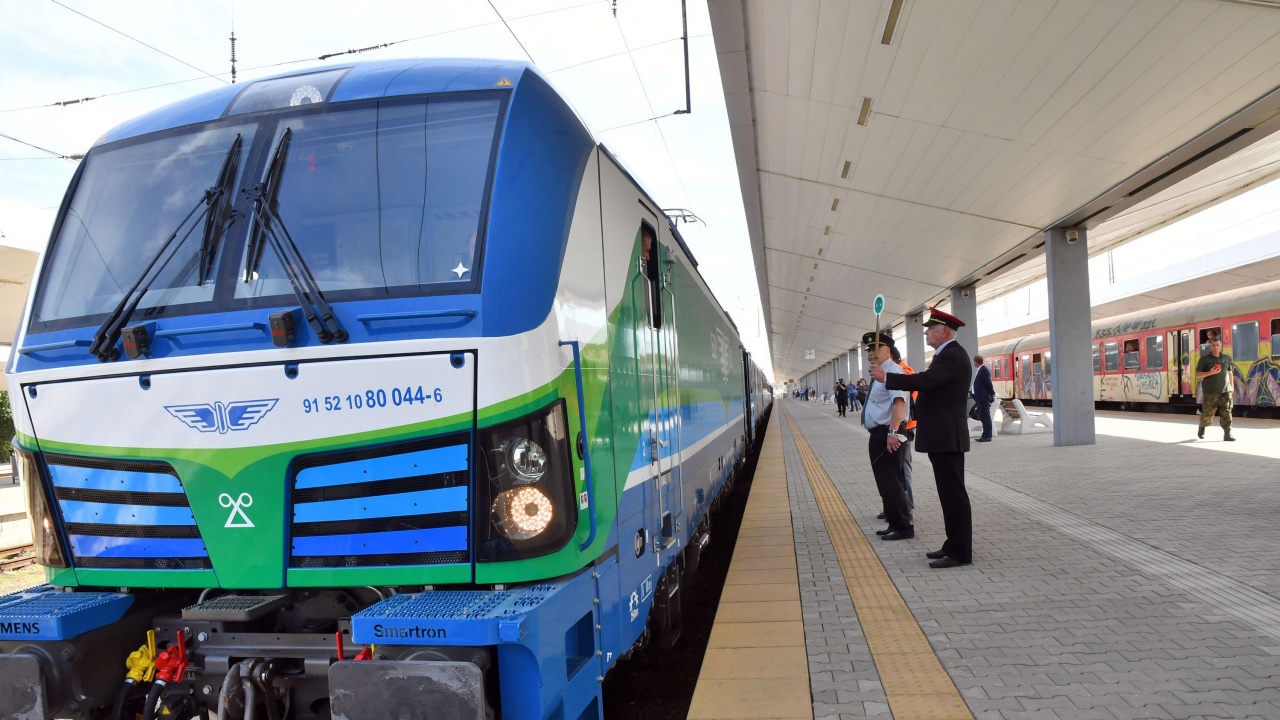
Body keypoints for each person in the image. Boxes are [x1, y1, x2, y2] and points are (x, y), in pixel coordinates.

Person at [871, 307, 972, 569]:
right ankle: (953, 545)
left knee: (953, 495)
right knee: (948, 494)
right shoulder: (947, 355)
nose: (926, 332)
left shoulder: (951, 356)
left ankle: (960, 551)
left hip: (948, 436)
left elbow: (927, 381)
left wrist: (888, 377)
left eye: (931, 328)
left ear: (945, 331)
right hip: (944, 435)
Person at [861, 332, 913, 541]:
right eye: (868, 350)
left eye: (875, 349)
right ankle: (894, 523)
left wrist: (892, 433)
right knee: (885, 481)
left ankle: (903, 527)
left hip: (889, 433)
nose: (871, 353)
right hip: (879, 433)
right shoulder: (880, 373)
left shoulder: (894, 372)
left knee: (892, 481)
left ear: (887, 351)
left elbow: (899, 403)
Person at [890, 345, 915, 514]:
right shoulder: (900, 371)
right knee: (896, 469)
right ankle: (896, 505)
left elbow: (903, 404)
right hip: (901, 426)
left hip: (903, 427)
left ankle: (906, 506)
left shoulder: (902, 373)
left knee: (903, 468)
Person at [1196, 338, 1235, 441]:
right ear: (1210, 346)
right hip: (1210, 390)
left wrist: (1232, 387)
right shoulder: (1204, 360)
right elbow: (1197, 374)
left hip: (1225, 390)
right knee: (1208, 411)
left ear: (1221, 346)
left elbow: (1230, 373)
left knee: (1226, 411)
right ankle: (1202, 427)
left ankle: (1227, 434)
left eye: (1218, 345)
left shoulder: (1226, 358)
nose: (1215, 347)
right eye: (1213, 345)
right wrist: (1210, 373)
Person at [972, 354, 995, 442]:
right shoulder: (980, 370)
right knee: (982, 416)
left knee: (985, 416)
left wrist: (992, 393)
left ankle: (987, 436)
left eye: (974, 361)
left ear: (976, 362)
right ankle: (985, 435)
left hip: (983, 397)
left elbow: (988, 383)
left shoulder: (983, 370)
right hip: (979, 397)